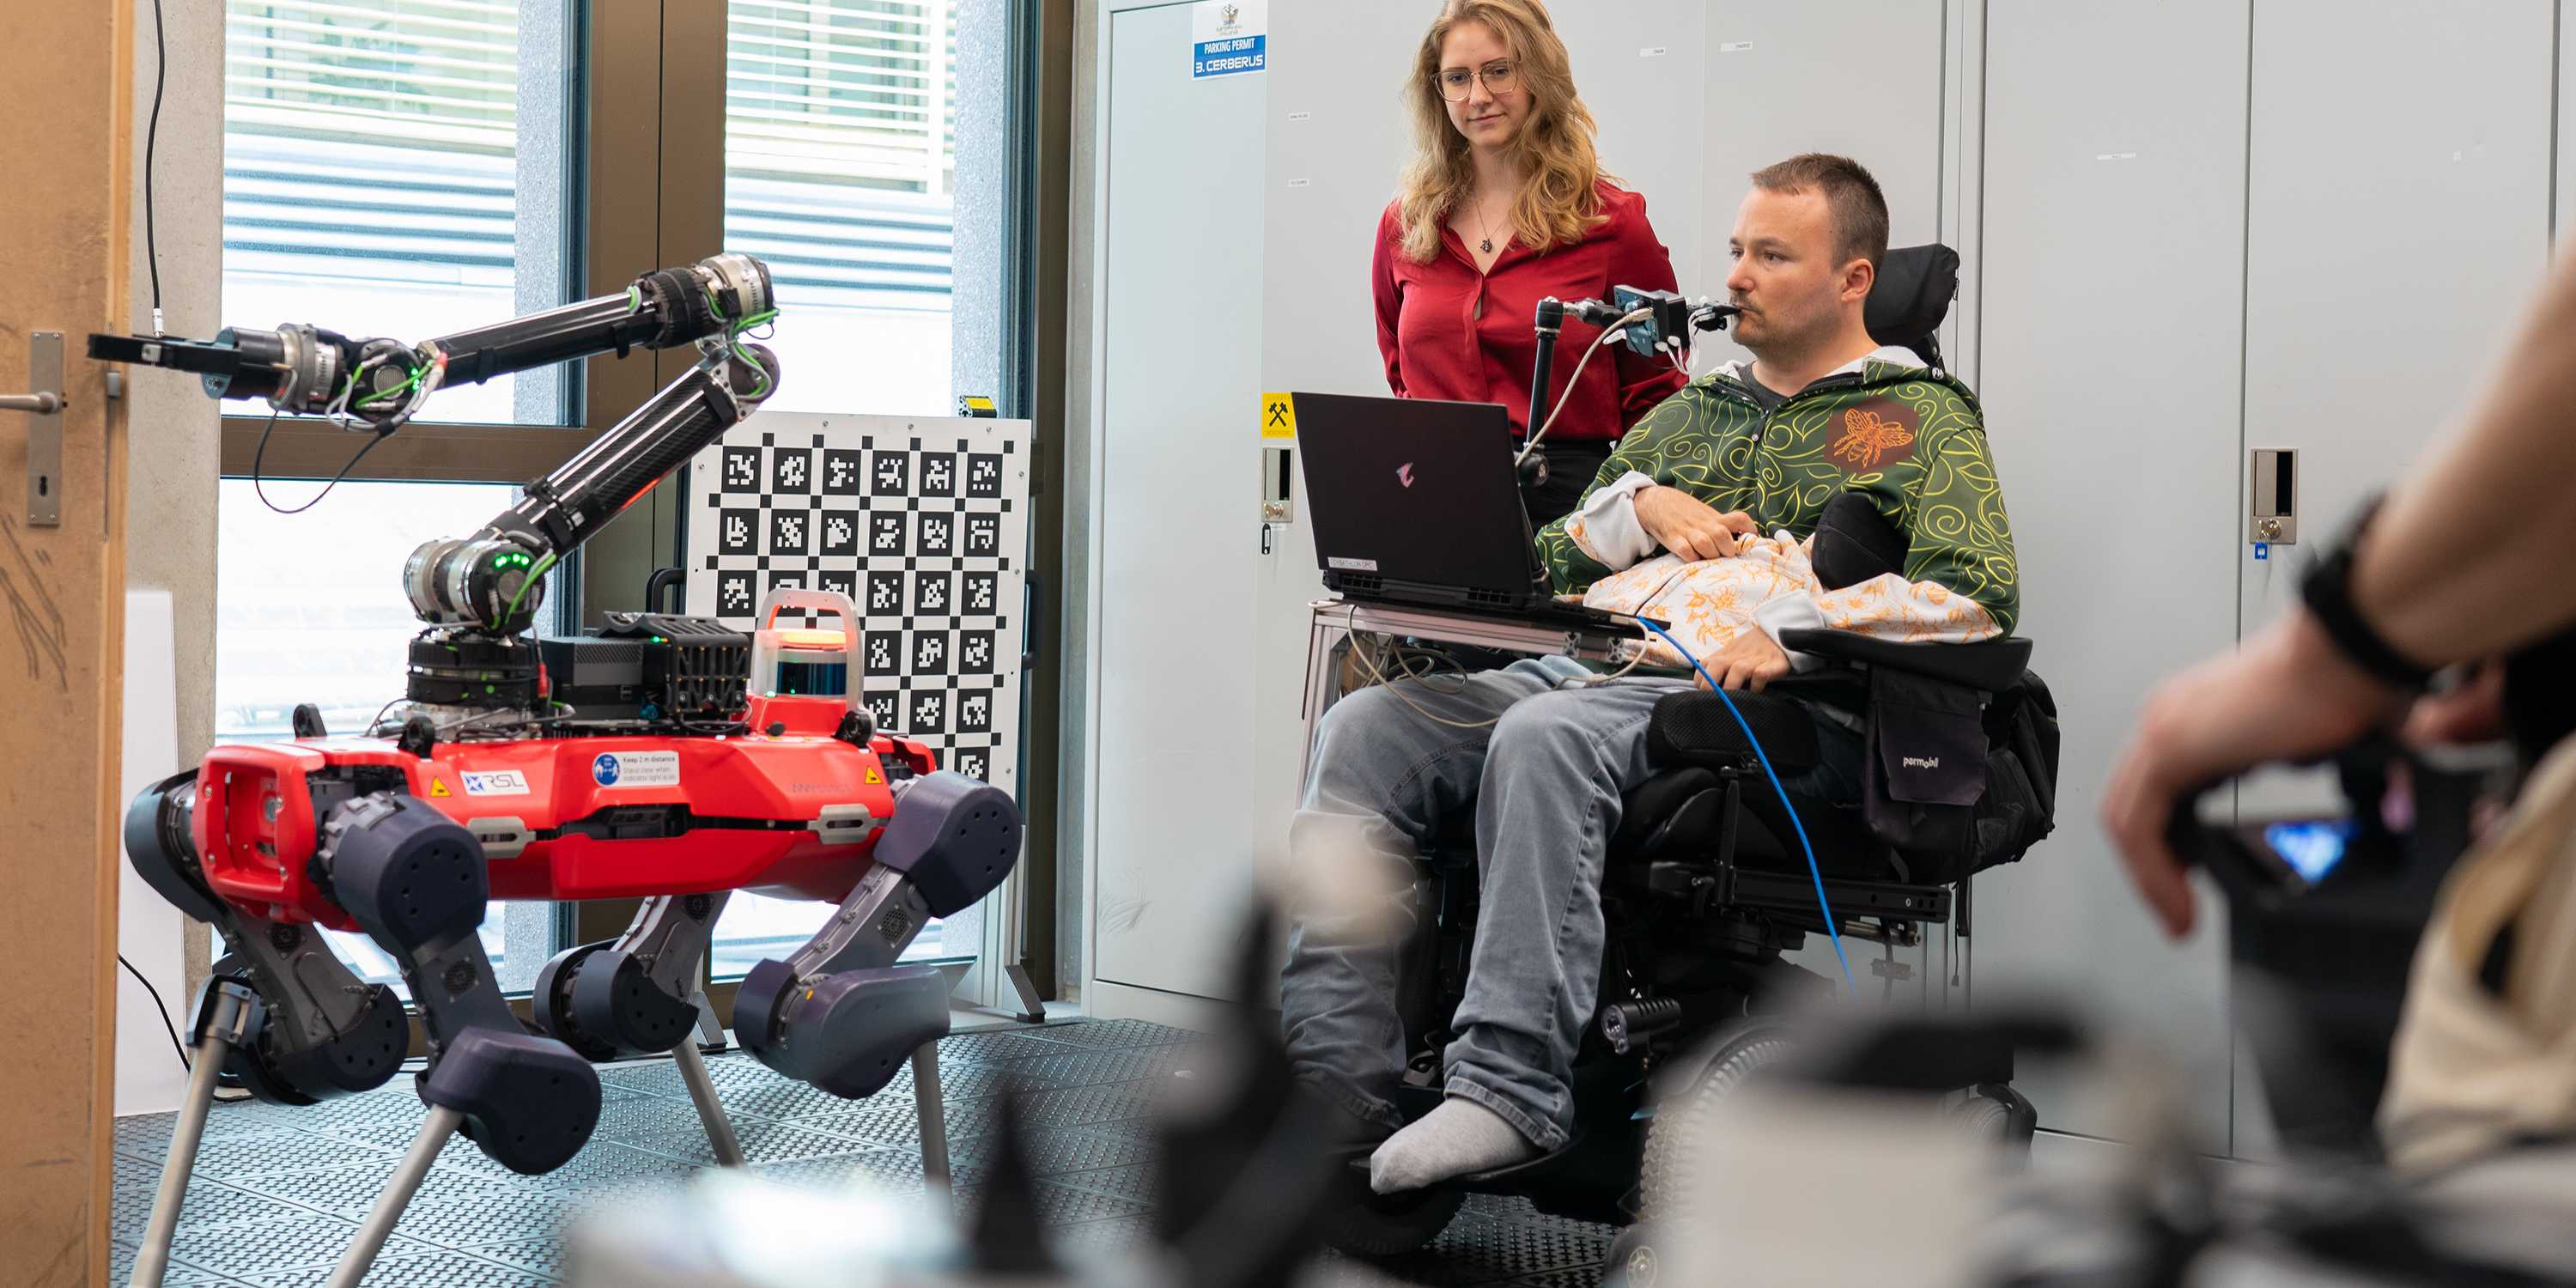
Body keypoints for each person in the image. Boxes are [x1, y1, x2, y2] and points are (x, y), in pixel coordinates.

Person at [1285, 154, 2020, 1194]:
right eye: (1736, 252)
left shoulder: (1912, 416)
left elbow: (1978, 594)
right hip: (1596, 667)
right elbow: (1540, 566)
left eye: (1773, 255)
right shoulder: (1691, 415)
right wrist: (1633, 509)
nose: (1738, 278)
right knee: (1367, 730)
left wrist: (1803, 624)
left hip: (1765, 704)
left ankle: (1507, 1089)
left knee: (1545, 743)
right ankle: (1331, 1076)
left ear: (1854, 279)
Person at [1370, 0, 1686, 524]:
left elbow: (1655, 392)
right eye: (1457, 77)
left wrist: (1639, 508)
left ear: (1539, 74)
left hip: (1569, 509)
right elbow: (1399, 369)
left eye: (1499, 71)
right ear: (1438, 90)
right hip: (1431, 489)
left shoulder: (1611, 222)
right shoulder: (1404, 226)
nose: (1478, 96)